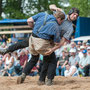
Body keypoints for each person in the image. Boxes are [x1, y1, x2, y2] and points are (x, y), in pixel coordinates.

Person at [0, 5, 79, 55]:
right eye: (74, 14)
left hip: (51, 40)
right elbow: (50, 6)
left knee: (49, 59)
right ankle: (6, 50)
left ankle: (45, 79)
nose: (75, 16)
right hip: (42, 35)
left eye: (77, 15)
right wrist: (56, 8)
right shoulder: (61, 13)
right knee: (23, 43)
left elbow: (62, 41)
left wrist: (52, 49)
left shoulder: (70, 28)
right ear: (70, 12)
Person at [17, 11, 66, 86]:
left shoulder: (43, 14)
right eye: (61, 21)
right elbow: (57, 42)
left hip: (32, 39)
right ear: (58, 18)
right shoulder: (55, 26)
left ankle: (23, 75)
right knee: (52, 61)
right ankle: (49, 80)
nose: (61, 23)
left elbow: (29, 21)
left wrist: (34, 28)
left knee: (33, 59)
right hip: (41, 43)